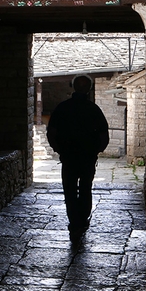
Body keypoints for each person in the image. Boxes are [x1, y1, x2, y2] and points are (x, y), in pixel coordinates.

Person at [47, 75, 109, 242]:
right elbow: (104, 134)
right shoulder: (93, 109)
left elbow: (52, 132)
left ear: (73, 87)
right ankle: (82, 219)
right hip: (87, 156)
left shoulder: (62, 108)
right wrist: (96, 150)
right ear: (88, 89)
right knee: (85, 187)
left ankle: (74, 220)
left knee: (69, 188)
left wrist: (59, 149)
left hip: (68, 156)